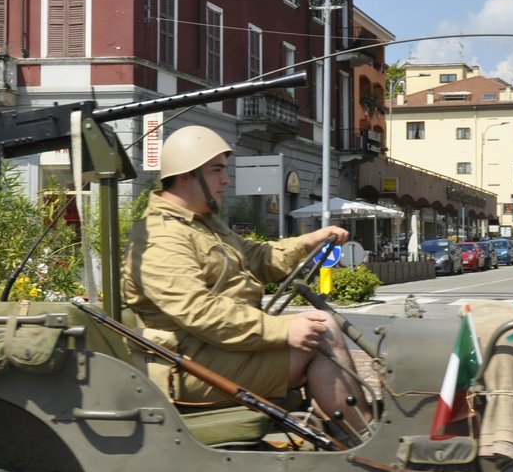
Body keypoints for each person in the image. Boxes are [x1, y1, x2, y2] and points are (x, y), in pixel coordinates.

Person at [122, 126, 367, 434]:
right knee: (321, 333)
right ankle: (363, 438)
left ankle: (343, 429)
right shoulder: (162, 236)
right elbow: (199, 311)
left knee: (319, 329)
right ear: (186, 176)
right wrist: (282, 329)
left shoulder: (203, 223)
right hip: (190, 366)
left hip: (219, 351)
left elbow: (258, 258)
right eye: (217, 170)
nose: (226, 179)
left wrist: (307, 242)